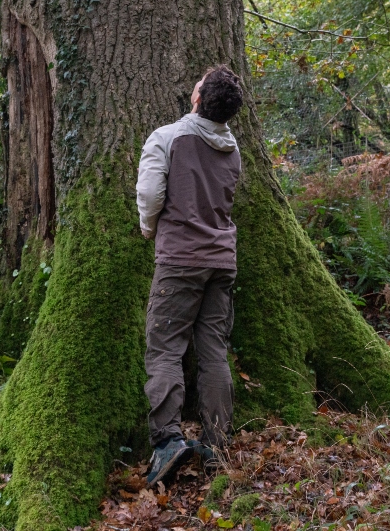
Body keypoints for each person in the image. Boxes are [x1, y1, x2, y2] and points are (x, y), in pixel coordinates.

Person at [136, 65, 244, 487]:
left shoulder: (167, 137)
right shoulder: (233, 151)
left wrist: (149, 227)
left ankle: (167, 441)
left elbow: (150, 194)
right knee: (213, 351)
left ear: (198, 97)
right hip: (221, 262)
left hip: (179, 260)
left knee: (164, 349)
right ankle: (218, 446)